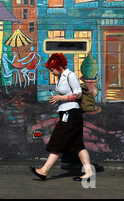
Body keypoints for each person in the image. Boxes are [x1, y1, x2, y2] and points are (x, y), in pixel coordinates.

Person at [29, 53, 93, 181]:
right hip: (67, 113)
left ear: (59, 67)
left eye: (52, 69)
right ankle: (89, 172)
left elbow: (78, 95)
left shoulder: (70, 76)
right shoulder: (61, 77)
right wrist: (58, 100)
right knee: (78, 145)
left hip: (71, 114)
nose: (51, 72)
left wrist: (60, 98)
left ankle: (44, 170)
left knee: (57, 141)